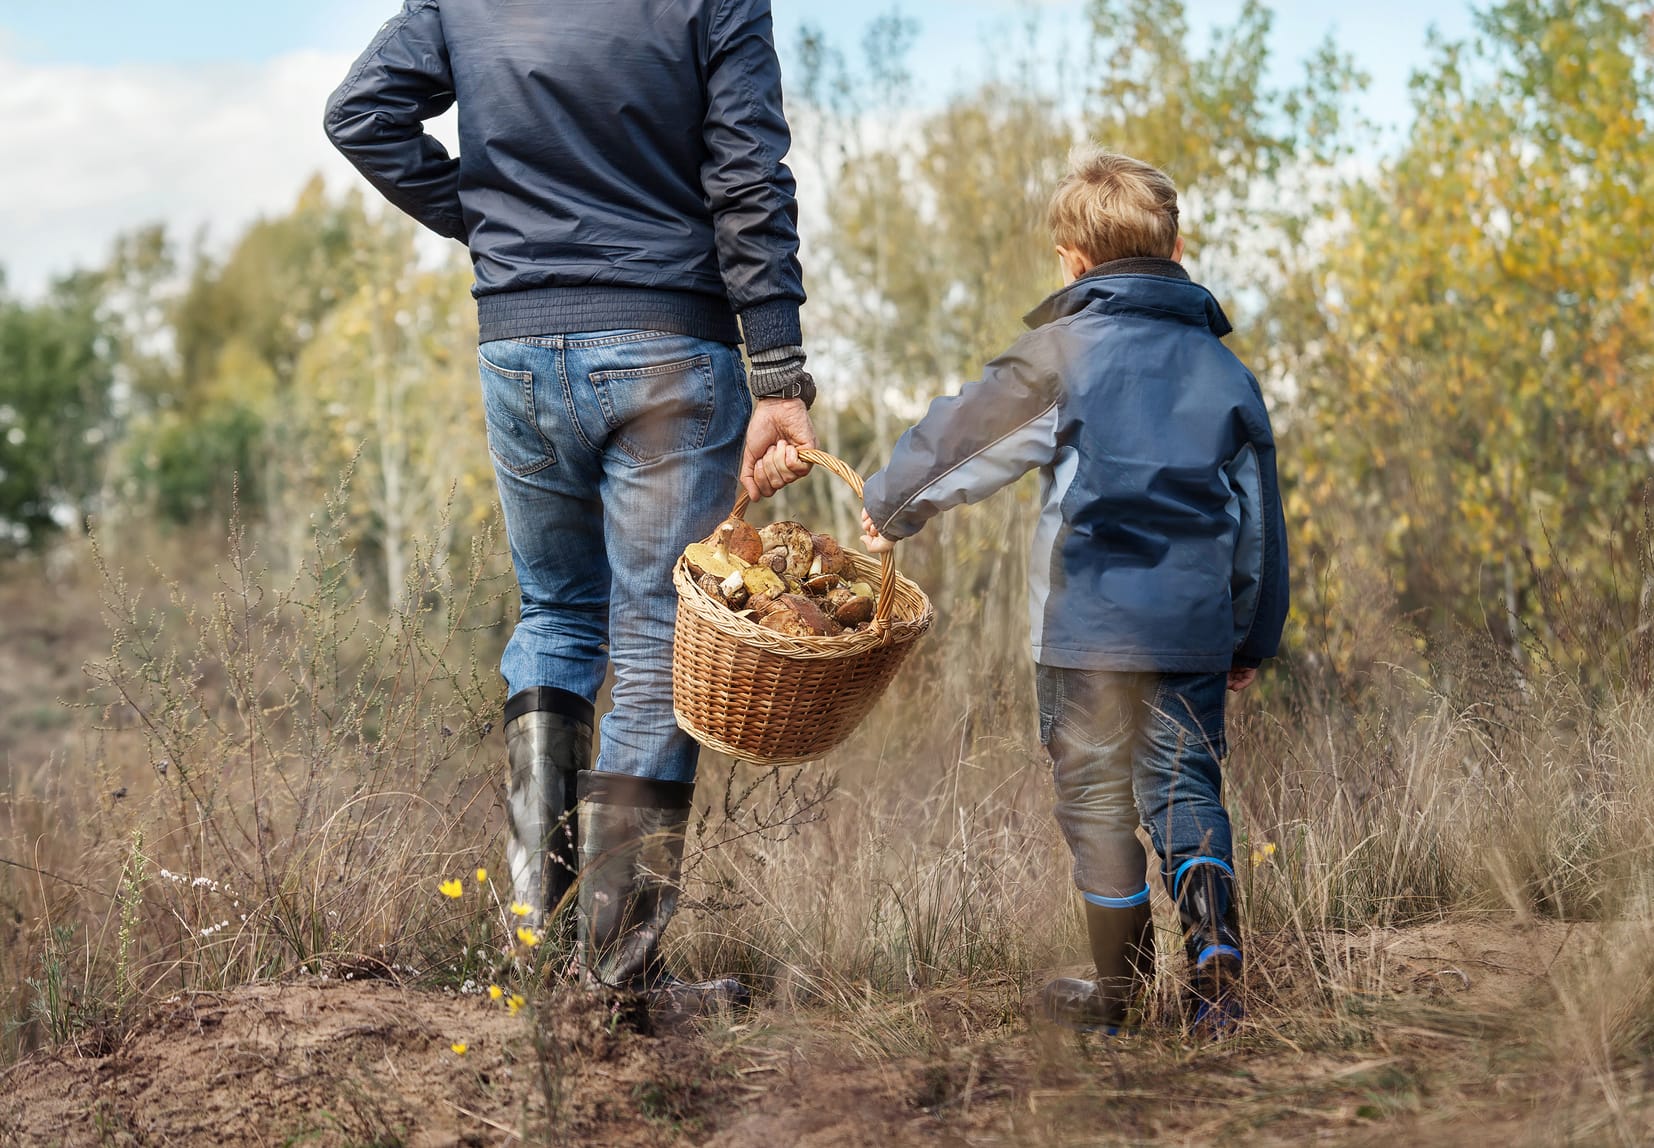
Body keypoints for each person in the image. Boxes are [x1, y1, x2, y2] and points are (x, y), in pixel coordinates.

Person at [324, 0, 817, 1014]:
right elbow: (746, 172)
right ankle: (616, 982)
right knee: (650, 641)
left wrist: (498, 225)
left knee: (553, 616)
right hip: (665, 341)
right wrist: (776, 367)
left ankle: (542, 960)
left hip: (517, 340)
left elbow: (361, 113)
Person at [858, 149, 1289, 1035]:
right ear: (1176, 247)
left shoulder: (1062, 353)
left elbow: (964, 440)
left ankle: (1118, 995)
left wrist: (892, 504)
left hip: (1085, 633)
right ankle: (1217, 985)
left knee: (1095, 801)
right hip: (1188, 631)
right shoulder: (1226, 374)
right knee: (1185, 795)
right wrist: (1250, 637)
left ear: (1075, 262)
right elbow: (1257, 528)